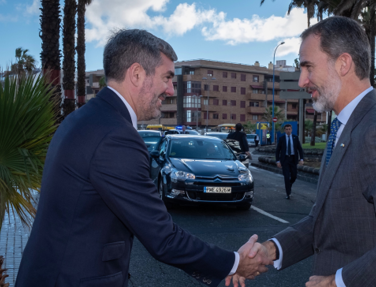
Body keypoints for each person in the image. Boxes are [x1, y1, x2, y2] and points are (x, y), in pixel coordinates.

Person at [15, 29, 270, 287]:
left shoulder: (85, 119)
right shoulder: (116, 136)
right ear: (136, 74)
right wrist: (234, 262)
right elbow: (164, 239)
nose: (171, 90)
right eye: (167, 78)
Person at [232, 16, 376, 287]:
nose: (301, 81)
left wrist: (339, 282)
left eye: (308, 67)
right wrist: (270, 250)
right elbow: (326, 221)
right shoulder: (346, 126)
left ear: (343, 63)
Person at [275, 124, 304, 199]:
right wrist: (278, 161)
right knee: (286, 177)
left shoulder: (295, 138)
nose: (288, 131)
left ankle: (290, 184)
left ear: (291, 130)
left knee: (294, 176)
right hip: (285, 160)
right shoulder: (282, 139)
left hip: (293, 159)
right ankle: (288, 193)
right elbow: (278, 151)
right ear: (285, 130)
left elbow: (300, 149)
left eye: (289, 129)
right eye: (286, 129)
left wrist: (301, 159)